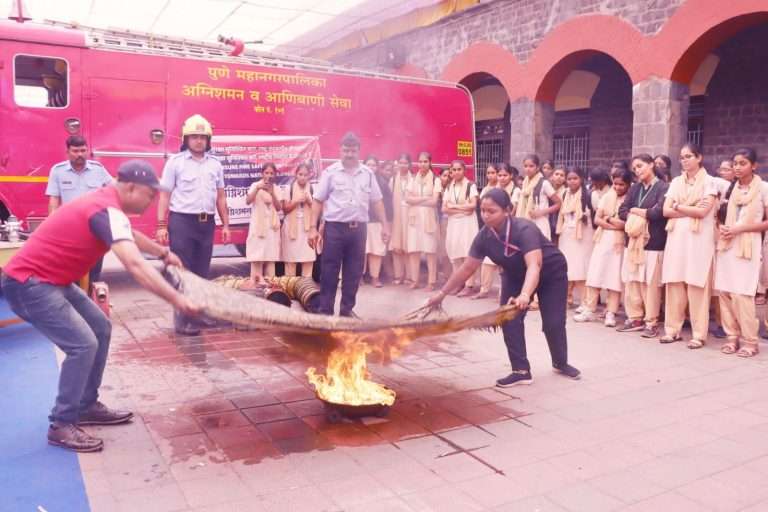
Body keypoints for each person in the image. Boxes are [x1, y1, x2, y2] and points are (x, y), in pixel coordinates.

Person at [1, 160, 197, 452]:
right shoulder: (105, 208)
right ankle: (61, 424)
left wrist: (163, 252)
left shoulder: (109, 206)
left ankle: (85, 404)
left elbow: (129, 234)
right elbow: (134, 264)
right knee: (83, 344)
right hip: (29, 283)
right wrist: (176, 298)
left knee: (100, 328)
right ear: (131, 187)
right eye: (149, 195)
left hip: (53, 281)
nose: (151, 202)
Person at [426, 188, 581, 386]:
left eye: (492, 211)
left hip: (551, 273)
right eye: (482, 210)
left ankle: (561, 362)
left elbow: (535, 265)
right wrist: (441, 294)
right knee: (509, 318)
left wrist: (525, 295)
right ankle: (521, 370)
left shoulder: (525, 229)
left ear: (508, 210)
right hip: (514, 274)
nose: (485, 215)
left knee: (553, 322)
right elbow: (467, 268)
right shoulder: (484, 236)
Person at [156, 114, 230, 335]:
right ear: (186, 139)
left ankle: (198, 316)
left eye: (203, 137)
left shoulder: (215, 165)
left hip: (205, 223)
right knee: (183, 272)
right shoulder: (175, 163)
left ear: (209, 140)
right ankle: (182, 320)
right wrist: (161, 224)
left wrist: (225, 225)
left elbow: (221, 197)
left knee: (201, 271)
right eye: (194, 137)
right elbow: (164, 196)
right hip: (182, 222)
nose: (199, 141)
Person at [308, 132, 390, 316]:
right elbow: (317, 200)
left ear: (359, 151)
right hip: (335, 228)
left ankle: (347, 310)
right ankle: (325, 310)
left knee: (354, 273)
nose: (349, 154)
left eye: (352, 151)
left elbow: (377, 200)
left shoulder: (368, 174)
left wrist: (385, 224)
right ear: (340, 150)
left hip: (359, 229)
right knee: (329, 271)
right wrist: (312, 228)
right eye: (346, 150)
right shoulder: (331, 173)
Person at [660, 142, 718, 348]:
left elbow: (704, 212)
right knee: (674, 282)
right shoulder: (676, 182)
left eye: (689, 156)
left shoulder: (711, 182)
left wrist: (678, 205)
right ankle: (672, 330)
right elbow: (666, 211)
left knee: (697, 284)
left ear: (699, 157)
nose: (684, 160)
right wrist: (690, 207)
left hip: (699, 238)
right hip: (677, 236)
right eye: (682, 157)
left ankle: (699, 334)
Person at [714, 148, 768, 357]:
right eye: (735, 163)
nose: (737, 167)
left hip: (748, 244)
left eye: (743, 163)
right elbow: (721, 214)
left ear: (754, 166)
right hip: (728, 243)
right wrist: (723, 227)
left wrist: (741, 229)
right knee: (726, 291)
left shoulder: (763, 188)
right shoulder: (731, 188)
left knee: (743, 293)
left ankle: (750, 341)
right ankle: (732, 337)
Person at [46, 135, 113, 285]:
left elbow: (113, 191)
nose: (80, 154)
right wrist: (52, 225)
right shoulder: (58, 171)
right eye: (75, 151)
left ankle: (91, 302)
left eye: (83, 150)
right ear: (67, 152)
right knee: (71, 272)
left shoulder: (98, 170)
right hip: (70, 229)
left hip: (95, 229)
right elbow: (54, 200)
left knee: (94, 273)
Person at [618, 154, 668, 337]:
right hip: (632, 241)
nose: (637, 170)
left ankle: (651, 321)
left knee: (650, 284)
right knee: (632, 282)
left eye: (640, 166)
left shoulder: (663, 187)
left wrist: (636, 211)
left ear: (652, 165)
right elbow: (621, 211)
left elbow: (659, 212)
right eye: (635, 168)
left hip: (653, 242)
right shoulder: (635, 188)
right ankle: (635, 317)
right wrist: (641, 214)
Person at [575, 168, 632, 327]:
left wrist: (611, 222)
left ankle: (611, 312)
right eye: (615, 184)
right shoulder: (608, 196)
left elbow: (627, 224)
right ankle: (589, 309)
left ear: (628, 184)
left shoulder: (630, 199)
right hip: (603, 239)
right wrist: (613, 223)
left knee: (614, 278)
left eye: (622, 184)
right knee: (596, 273)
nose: (618, 187)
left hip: (619, 243)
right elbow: (597, 219)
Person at [556, 167, 594, 308]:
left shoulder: (588, 195)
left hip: (582, 236)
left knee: (581, 269)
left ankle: (586, 303)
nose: (572, 181)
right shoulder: (565, 194)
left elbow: (593, 216)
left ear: (582, 179)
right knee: (567, 268)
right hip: (566, 235)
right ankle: (566, 299)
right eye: (569, 178)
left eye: (575, 178)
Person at [442, 160, 479, 297]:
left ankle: (469, 285)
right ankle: (458, 284)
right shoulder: (448, 187)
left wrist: (454, 207)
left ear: (464, 171)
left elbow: (473, 206)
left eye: (459, 169)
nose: (456, 172)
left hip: (467, 223)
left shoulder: (470, 186)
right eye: (453, 170)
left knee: (466, 253)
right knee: (455, 253)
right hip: (454, 224)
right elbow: (444, 208)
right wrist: (462, 209)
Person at [405, 152, 439, 290]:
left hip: (429, 217)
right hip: (414, 219)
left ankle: (431, 282)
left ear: (430, 163)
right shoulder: (413, 178)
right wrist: (425, 198)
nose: (422, 164)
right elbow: (407, 199)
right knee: (414, 250)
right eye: (420, 161)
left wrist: (416, 200)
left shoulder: (435, 179)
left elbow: (434, 201)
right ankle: (415, 280)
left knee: (430, 250)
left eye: (425, 161)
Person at [246, 162, 282, 280]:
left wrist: (272, 194)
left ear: (275, 175)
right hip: (258, 227)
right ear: (262, 173)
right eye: (266, 172)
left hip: (272, 228)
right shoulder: (255, 185)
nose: (269, 175)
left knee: (270, 257)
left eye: (272, 173)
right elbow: (248, 201)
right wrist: (257, 189)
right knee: (257, 256)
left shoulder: (276, 188)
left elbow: (278, 207)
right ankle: (255, 284)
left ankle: (270, 287)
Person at [280, 163, 316, 277]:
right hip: (291, 227)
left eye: (305, 175)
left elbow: (318, 210)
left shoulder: (312, 188)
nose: (303, 177)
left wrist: (309, 201)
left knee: (308, 259)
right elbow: (285, 209)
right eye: (300, 174)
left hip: (307, 229)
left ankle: (306, 288)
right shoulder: (288, 188)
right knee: (290, 259)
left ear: (309, 176)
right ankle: (290, 287)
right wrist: (296, 201)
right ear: (296, 174)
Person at [516, 154, 562, 240]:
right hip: (525, 223)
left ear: (537, 167)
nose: (528, 169)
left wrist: (541, 212)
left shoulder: (544, 183)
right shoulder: (525, 183)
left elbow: (558, 203)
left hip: (540, 222)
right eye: (525, 166)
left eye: (531, 166)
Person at [364, 156, 392, 287]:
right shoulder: (358, 180)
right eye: (368, 164)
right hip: (361, 221)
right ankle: (358, 278)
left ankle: (375, 278)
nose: (371, 167)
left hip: (376, 222)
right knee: (361, 251)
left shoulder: (382, 182)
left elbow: (387, 205)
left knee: (376, 251)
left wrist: (386, 223)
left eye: (373, 165)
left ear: (377, 167)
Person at [475, 164, 500, 299]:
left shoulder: (500, 189)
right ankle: (484, 289)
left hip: (500, 227)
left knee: (502, 261)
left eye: (493, 173)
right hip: (488, 226)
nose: (490, 175)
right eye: (488, 173)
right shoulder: (485, 189)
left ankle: (503, 292)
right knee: (487, 260)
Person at [388, 154, 412, 285]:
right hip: (397, 214)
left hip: (409, 214)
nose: (403, 165)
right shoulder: (393, 179)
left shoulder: (413, 179)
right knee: (397, 246)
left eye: (405, 163)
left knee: (408, 245)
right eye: (401, 163)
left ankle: (409, 276)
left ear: (409, 164)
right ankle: (399, 275)